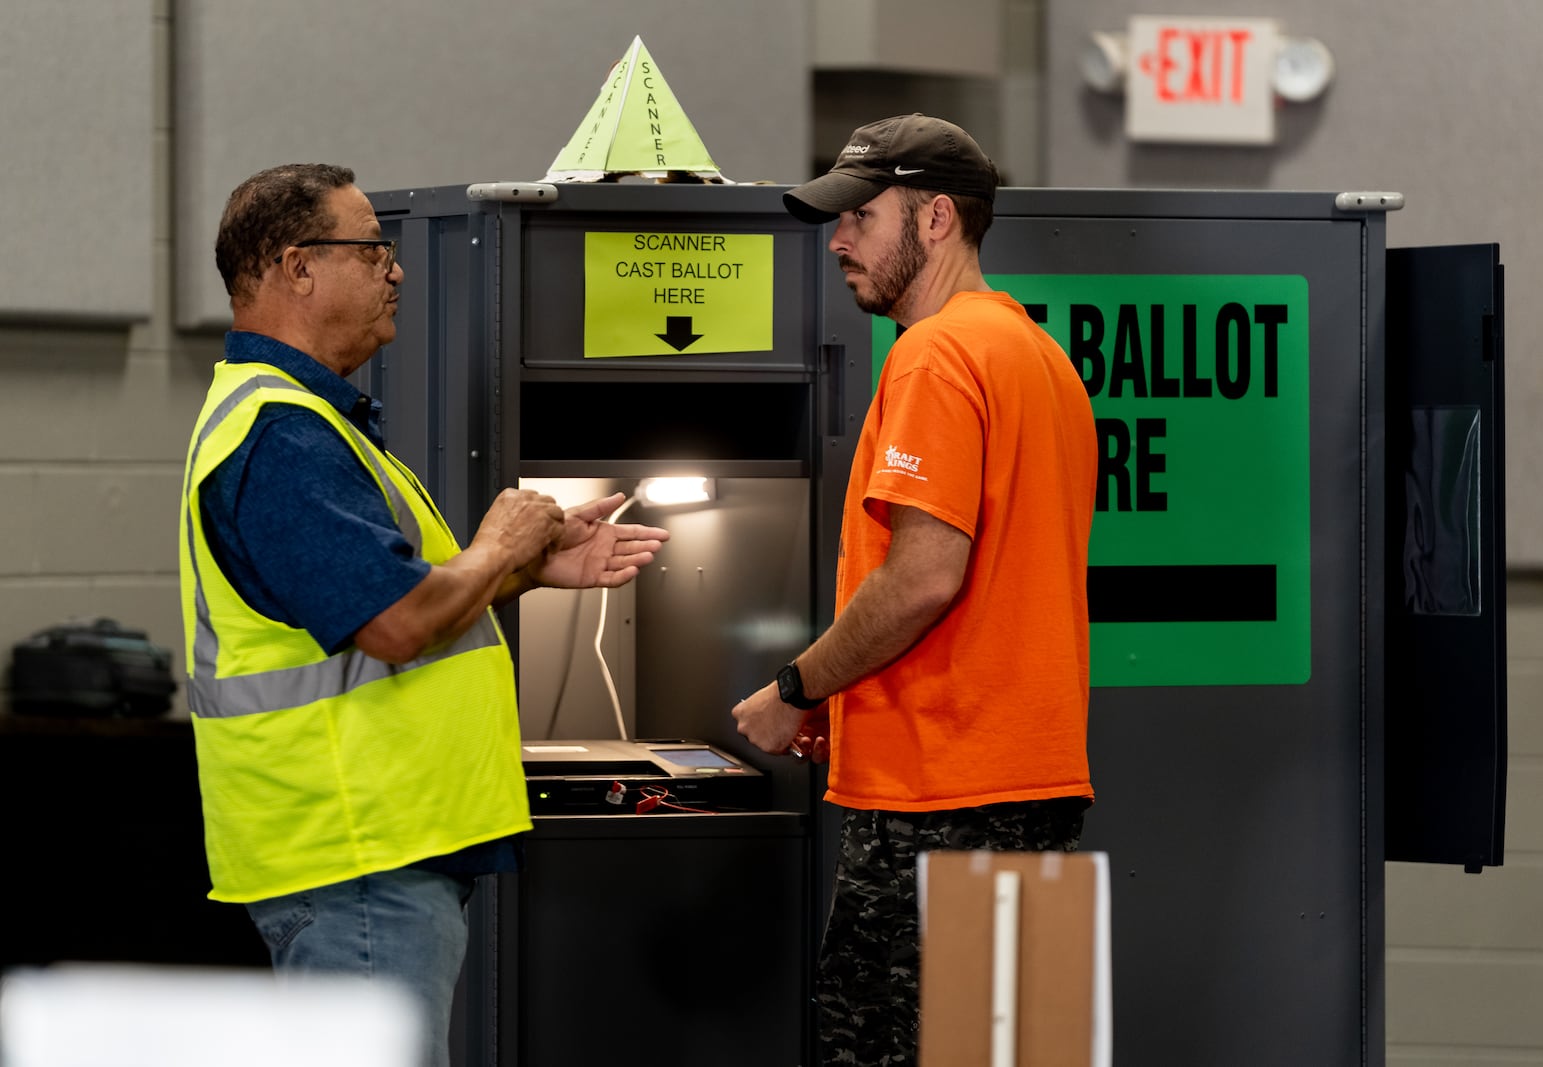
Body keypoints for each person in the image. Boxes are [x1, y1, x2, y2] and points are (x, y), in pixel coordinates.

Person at [178, 163, 668, 1066]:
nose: (395, 270)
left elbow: (388, 612)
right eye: (374, 248)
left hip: (372, 849)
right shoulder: (280, 435)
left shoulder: (309, 421)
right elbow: (398, 625)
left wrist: (527, 570)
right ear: (297, 267)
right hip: (355, 851)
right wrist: (497, 542)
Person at [731, 115, 1097, 1064]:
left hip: (944, 795)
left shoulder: (935, 355)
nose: (838, 239)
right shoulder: (1039, 357)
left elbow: (926, 578)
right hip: (1028, 786)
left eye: (861, 215)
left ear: (937, 219)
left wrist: (798, 688)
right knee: (1011, 1050)